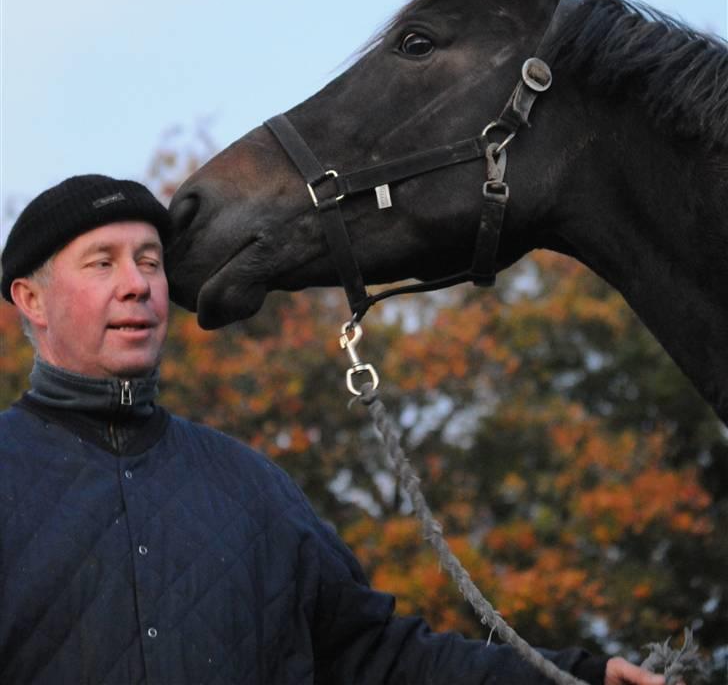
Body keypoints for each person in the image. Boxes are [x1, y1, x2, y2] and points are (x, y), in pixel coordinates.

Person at [0, 174, 669, 685]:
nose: (137, 285)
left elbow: (380, 658)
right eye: (102, 262)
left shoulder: (252, 488)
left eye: (149, 261)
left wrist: (569, 675)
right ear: (31, 300)